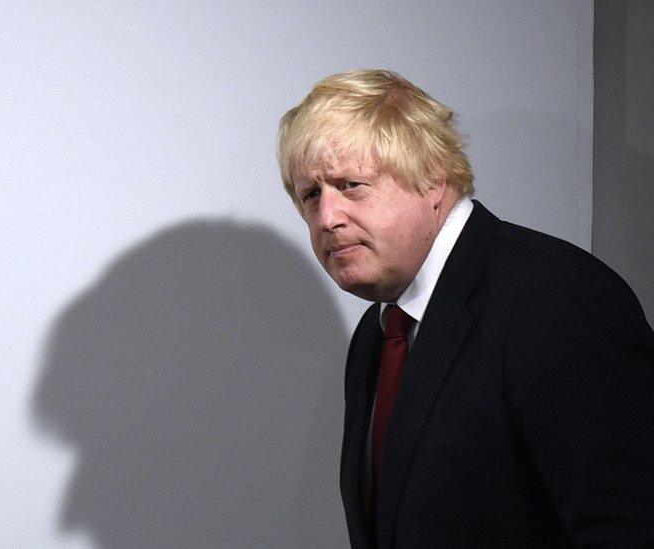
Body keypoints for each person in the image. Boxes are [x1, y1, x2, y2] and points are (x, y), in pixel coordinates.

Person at [277, 69, 654, 548]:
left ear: (433, 178)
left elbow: (629, 526)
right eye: (312, 195)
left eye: (351, 184)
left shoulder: (555, 297)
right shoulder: (379, 333)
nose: (328, 217)